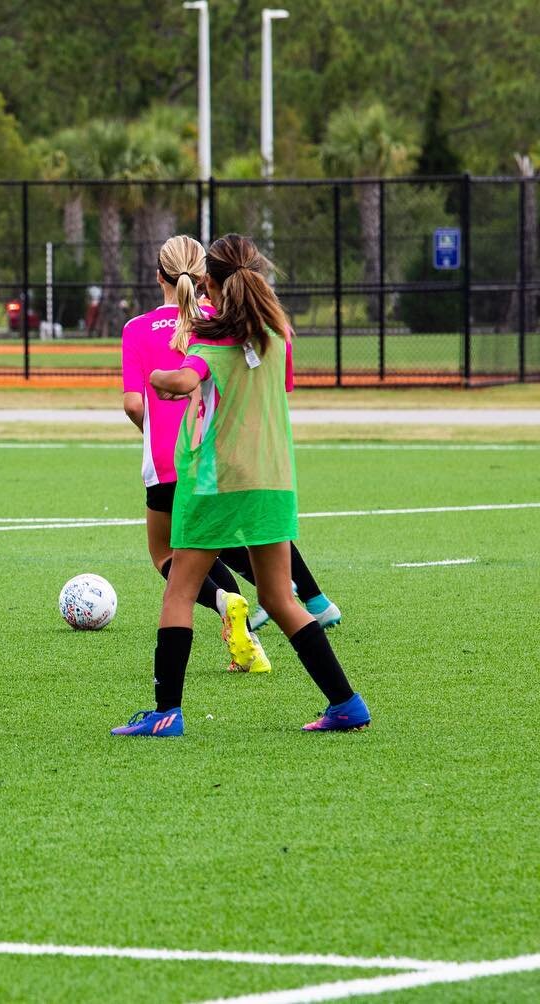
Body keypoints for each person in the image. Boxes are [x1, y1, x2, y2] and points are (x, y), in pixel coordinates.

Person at [111, 235, 369, 738]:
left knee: (179, 592)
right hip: (273, 481)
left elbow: (185, 380)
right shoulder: (277, 336)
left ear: (211, 280)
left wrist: (163, 375)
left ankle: (165, 713)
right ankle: (346, 702)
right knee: (279, 597)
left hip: (215, 482)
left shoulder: (212, 338)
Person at [121, 235, 271, 673]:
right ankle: (246, 627)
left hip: (166, 461)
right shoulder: (221, 321)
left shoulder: (136, 329)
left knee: (167, 557)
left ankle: (225, 600)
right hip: (214, 458)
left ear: (158, 275)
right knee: (206, 548)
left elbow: (134, 403)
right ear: (205, 276)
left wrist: (149, 427)